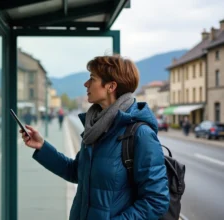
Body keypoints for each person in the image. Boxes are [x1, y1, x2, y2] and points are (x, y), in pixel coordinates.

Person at [20, 55, 169, 220]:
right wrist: (42, 146)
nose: (86, 84)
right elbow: (76, 172)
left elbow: (156, 200)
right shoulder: (96, 127)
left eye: (92, 79)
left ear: (111, 86)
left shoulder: (140, 134)